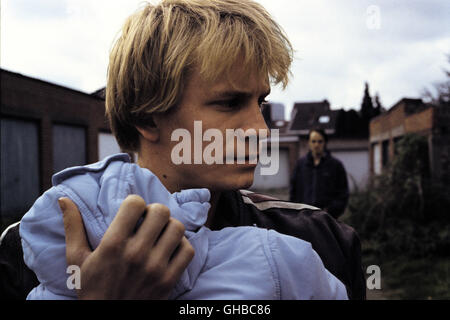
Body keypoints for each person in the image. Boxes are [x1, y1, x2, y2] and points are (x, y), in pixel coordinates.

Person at [0, 0, 365, 300]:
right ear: (148, 118)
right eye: (230, 102)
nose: (260, 129)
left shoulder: (320, 240)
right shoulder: (30, 250)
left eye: (261, 102)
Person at [290, 129, 350, 219]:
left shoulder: (335, 165)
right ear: (309, 143)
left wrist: (331, 211)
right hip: (304, 218)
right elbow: (293, 191)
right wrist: (297, 211)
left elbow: (343, 193)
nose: (316, 145)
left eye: (320, 141)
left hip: (327, 218)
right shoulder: (301, 165)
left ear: (325, 143)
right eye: (313, 141)